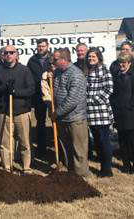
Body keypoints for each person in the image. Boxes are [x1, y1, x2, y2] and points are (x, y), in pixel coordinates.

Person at [0, 45, 35, 175]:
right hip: (4, 111)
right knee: (5, 143)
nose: (9, 55)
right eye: (6, 53)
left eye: (11, 52)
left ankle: (26, 167)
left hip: (22, 111)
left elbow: (31, 89)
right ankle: (7, 167)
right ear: (2, 55)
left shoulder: (24, 70)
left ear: (16, 54)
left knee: (25, 141)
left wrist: (16, 92)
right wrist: (4, 88)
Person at [52, 48, 90, 177]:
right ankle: (70, 174)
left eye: (55, 59)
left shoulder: (76, 74)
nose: (53, 61)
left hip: (75, 118)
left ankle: (82, 176)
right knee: (66, 148)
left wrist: (57, 112)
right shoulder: (57, 72)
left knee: (78, 150)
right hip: (62, 119)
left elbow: (72, 100)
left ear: (64, 59)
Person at [110, 52, 134, 174]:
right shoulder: (116, 76)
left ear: (129, 63)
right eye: (120, 63)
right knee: (123, 141)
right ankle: (125, 165)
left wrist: (128, 106)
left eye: (124, 63)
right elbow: (113, 94)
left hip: (131, 114)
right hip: (119, 114)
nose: (121, 65)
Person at [83, 48, 115, 177]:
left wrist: (92, 100)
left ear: (99, 58)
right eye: (89, 57)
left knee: (104, 141)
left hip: (101, 112)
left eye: (93, 57)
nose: (91, 59)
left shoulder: (104, 70)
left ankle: (107, 169)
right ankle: (102, 165)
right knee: (96, 141)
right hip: (90, 113)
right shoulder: (86, 71)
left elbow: (109, 89)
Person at [27, 38, 53, 159]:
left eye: (43, 46)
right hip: (38, 96)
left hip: (52, 94)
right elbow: (29, 77)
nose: (41, 48)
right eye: (39, 46)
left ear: (47, 46)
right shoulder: (32, 61)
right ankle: (41, 148)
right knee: (40, 122)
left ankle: (56, 147)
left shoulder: (53, 58)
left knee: (55, 120)